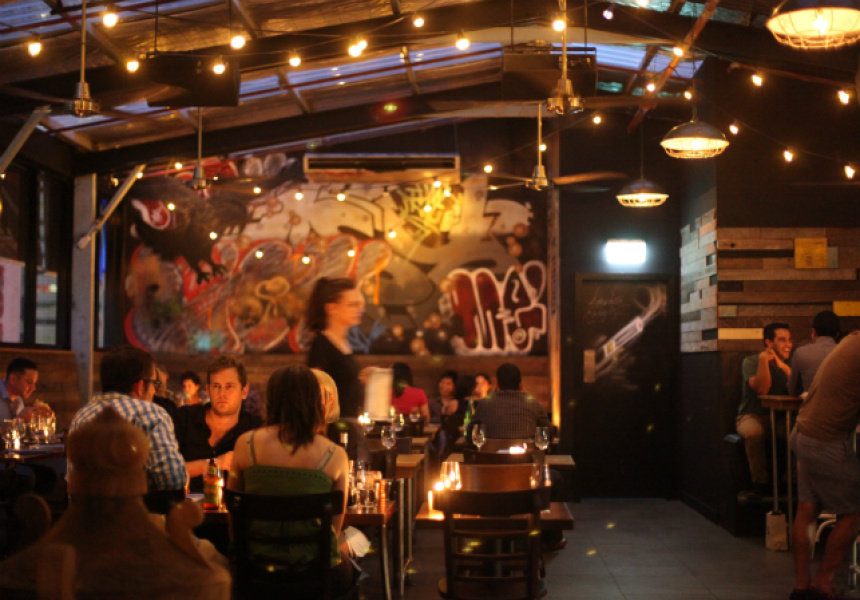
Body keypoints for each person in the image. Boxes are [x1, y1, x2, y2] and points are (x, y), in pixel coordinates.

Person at [226, 365, 354, 593]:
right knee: (353, 569)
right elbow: (334, 529)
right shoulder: (334, 455)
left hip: (255, 569)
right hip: (315, 575)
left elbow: (233, 518)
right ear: (314, 401)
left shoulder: (245, 445)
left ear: (272, 400)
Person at [790, 331, 860, 600]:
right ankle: (823, 582)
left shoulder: (852, 339)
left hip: (803, 431)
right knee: (854, 512)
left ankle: (801, 585)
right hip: (826, 439)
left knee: (807, 508)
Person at [68, 346, 186, 492]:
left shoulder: (81, 416)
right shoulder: (150, 413)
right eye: (154, 384)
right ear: (140, 386)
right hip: (133, 506)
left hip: (81, 506)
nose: (154, 391)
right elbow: (173, 479)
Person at [172, 355, 262, 493]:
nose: (222, 393)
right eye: (216, 386)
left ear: (244, 391)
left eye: (229, 386)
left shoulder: (254, 430)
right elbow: (166, 469)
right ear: (208, 390)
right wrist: (215, 464)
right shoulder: (184, 418)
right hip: (185, 505)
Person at [737, 322, 793, 501]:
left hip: (781, 416)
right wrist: (764, 360)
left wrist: (783, 367)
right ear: (769, 342)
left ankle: (791, 482)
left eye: (789, 340)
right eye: (782, 340)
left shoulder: (792, 363)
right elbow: (762, 389)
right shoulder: (751, 361)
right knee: (754, 433)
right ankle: (760, 484)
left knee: (796, 433)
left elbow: (799, 389)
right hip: (751, 415)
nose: (788, 344)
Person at [306, 277, 365, 419]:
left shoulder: (344, 342)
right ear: (332, 308)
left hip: (349, 423)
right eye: (352, 305)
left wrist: (360, 378)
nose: (359, 310)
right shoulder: (321, 345)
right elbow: (315, 392)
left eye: (360, 304)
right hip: (333, 425)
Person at [472, 363, 550, 440]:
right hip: (526, 448)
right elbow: (548, 432)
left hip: (491, 449)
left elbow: (471, 433)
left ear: (497, 385)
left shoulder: (484, 404)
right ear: (520, 385)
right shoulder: (533, 403)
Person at [788, 310, 840, 397]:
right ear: (837, 334)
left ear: (814, 332)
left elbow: (793, 390)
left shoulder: (800, 353)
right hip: (840, 404)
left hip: (812, 404)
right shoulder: (846, 353)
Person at [0, 358, 52, 422]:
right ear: (13, 379)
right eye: (29, 382)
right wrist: (19, 420)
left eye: (34, 383)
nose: (33, 388)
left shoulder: (18, 400)